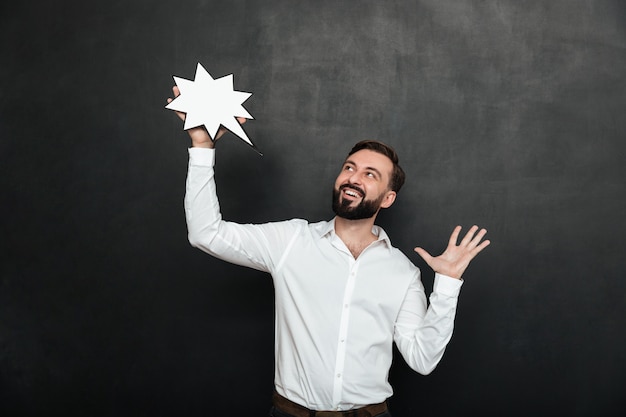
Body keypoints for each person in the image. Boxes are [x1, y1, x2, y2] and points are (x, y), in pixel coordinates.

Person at [168, 86, 490, 417]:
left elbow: (422, 359)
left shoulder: (402, 273)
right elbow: (207, 233)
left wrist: (448, 284)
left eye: (370, 174)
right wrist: (203, 147)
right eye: (349, 168)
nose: (353, 178)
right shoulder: (291, 241)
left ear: (388, 198)